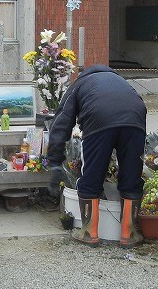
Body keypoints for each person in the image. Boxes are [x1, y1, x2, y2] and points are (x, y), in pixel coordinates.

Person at [46, 65, 147, 247]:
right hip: (135, 118)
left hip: (98, 118)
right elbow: (138, 103)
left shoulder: (79, 84)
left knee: (91, 174)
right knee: (132, 173)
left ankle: (89, 232)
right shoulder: (122, 82)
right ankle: (129, 233)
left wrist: (54, 162)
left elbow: (61, 123)